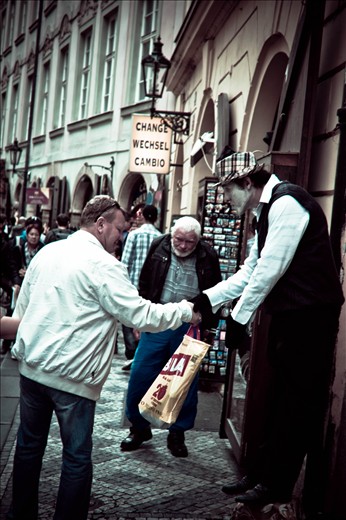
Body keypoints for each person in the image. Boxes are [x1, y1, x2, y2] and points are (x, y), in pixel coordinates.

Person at [8, 195, 201, 520]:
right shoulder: (105, 265)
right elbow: (139, 315)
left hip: (31, 370)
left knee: (28, 447)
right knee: (76, 457)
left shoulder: (47, 252)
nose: (122, 236)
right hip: (73, 378)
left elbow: (21, 311)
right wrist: (184, 310)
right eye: (119, 229)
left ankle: (19, 514)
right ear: (101, 224)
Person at [192, 151, 344, 511]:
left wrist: (238, 318)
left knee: (295, 407)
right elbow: (250, 272)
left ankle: (276, 485)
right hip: (289, 317)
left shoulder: (287, 204)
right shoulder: (265, 212)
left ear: (247, 183)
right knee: (273, 399)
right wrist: (207, 299)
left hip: (310, 319)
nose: (226, 200)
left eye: (228, 192)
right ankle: (259, 472)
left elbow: (269, 271)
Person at [120, 216, 221, 457]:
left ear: (198, 240)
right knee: (140, 375)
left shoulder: (208, 255)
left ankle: (178, 432)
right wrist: (140, 319)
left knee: (184, 381)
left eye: (190, 241)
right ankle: (139, 427)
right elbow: (144, 283)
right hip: (158, 320)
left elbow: (215, 293)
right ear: (171, 235)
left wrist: (208, 327)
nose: (184, 245)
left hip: (190, 324)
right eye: (179, 239)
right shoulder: (159, 245)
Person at [121, 204, 162, 367]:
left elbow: (125, 262)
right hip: (152, 287)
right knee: (147, 316)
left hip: (133, 284)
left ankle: (131, 351)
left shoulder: (134, 235)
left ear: (142, 216)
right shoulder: (161, 237)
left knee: (129, 317)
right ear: (157, 218)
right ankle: (142, 351)